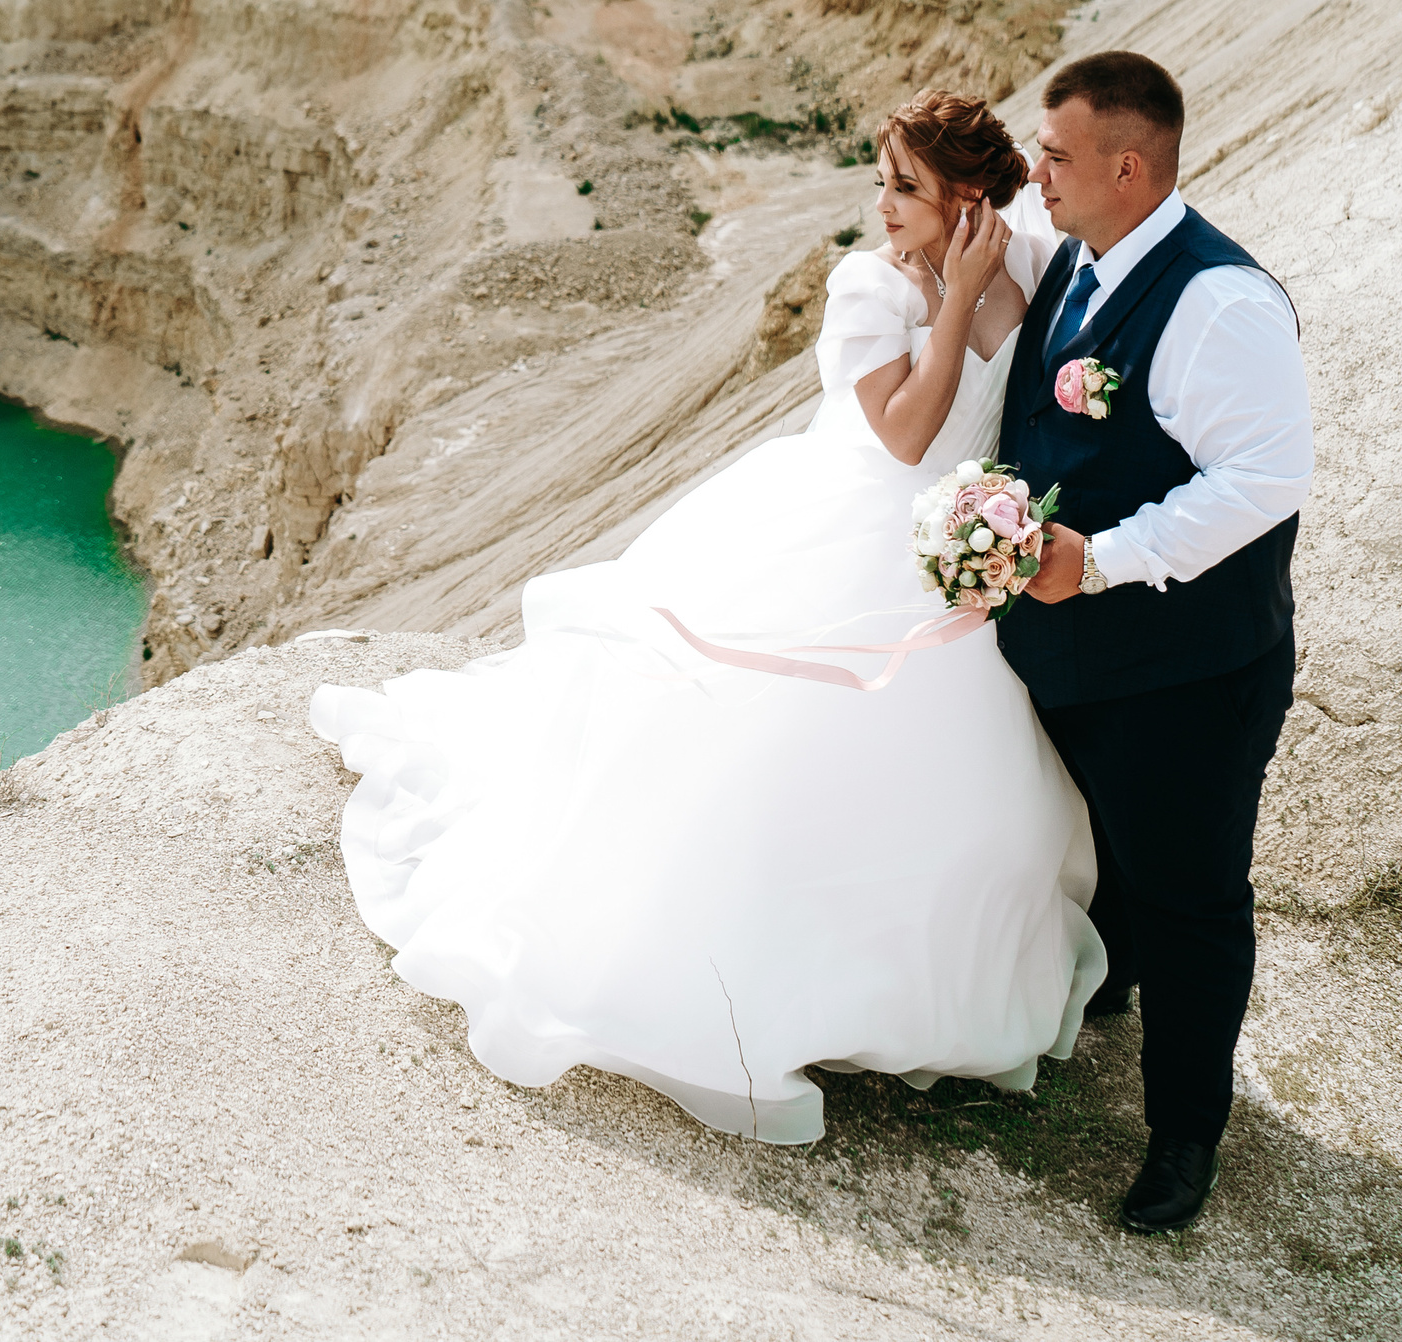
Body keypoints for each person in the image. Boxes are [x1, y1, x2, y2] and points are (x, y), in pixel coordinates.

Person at [311, 91, 1105, 1145]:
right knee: (762, 756)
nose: (881, 204)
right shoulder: (868, 286)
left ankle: (887, 987)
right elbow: (910, 436)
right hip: (851, 533)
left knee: (947, 779)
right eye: (881, 180)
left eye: (905, 186)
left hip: (949, 557)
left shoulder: (1032, 258)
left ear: (969, 194)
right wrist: (954, 296)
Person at [998, 51, 1313, 1233]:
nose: (1041, 172)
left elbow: (1267, 477)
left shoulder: (1218, 302)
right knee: (1112, 846)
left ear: (1127, 167)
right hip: (1081, 659)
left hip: (1186, 674)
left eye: (1058, 155)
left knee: (1189, 894)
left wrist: (1102, 559)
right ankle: (1110, 979)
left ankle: (1185, 1133)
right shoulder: (1080, 266)